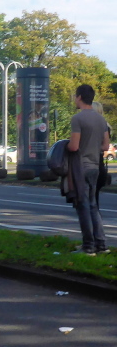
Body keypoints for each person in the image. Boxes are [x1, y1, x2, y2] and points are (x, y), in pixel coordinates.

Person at [67, 85, 110, 255]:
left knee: (82, 206)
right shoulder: (101, 119)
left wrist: (65, 146)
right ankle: (101, 244)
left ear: (79, 97)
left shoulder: (77, 118)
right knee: (93, 206)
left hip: (81, 167)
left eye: (75, 96)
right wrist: (92, 147)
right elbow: (105, 146)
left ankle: (88, 246)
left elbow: (74, 146)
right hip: (95, 167)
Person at [92, 101, 112, 208]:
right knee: (94, 196)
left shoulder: (93, 126)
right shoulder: (106, 126)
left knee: (90, 196)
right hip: (100, 164)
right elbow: (105, 146)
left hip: (90, 163)